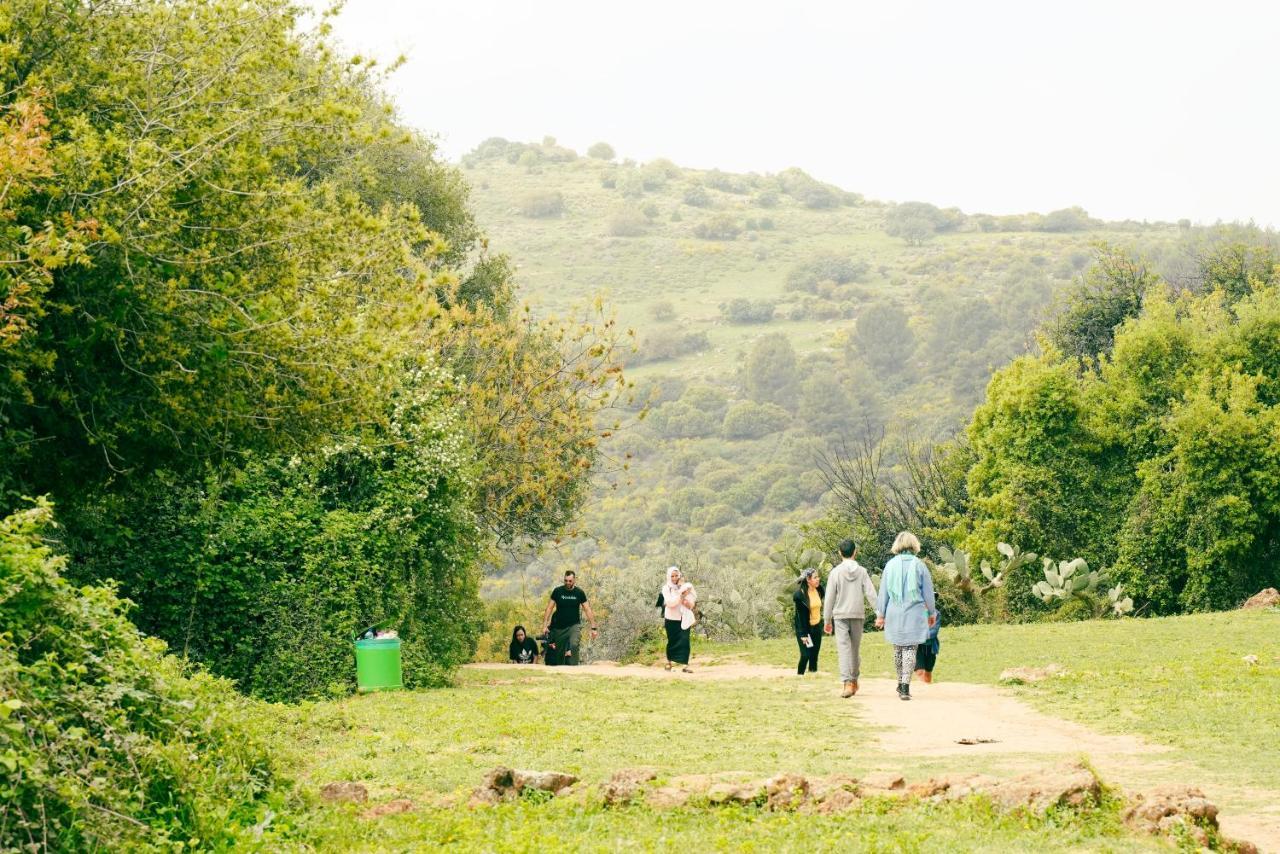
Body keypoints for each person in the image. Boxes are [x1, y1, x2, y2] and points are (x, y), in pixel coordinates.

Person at [874, 531, 937, 701]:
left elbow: (883, 593)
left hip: (894, 612)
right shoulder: (919, 565)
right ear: (914, 545)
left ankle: (900, 682)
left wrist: (881, 614)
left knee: (898, 648)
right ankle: (904, 686)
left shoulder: (890, 565)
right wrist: (931, 612)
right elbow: (928, 593)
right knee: (910, 648)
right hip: (914, 612)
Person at [823, 539, 878, 698]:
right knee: (854, 649)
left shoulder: (835, 572)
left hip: (840, 616)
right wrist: (879, 613)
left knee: (844, 649)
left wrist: (827, 620)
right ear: (855, 552)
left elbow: (829, 598)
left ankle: (848, 682)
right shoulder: (862, 571)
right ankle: (853, 681)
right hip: (857, 614)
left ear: (840, 553)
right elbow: (871, 594)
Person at [541, 570, 598, 667]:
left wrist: (593, 627)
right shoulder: (557, 591)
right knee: (559, 655)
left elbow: (587, 609)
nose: (568, 583)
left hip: (574, 626)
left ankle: (574, 668)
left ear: (574, 580)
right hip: (559, 627)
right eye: (566, 580)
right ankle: (561, 673)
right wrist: (544, 625)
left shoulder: (579, 593)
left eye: (570, 581)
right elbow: (549, 608)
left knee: (574, 645)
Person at [654, 566, 697, 672]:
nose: (674, 578)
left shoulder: (686, 587)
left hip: (683, 619)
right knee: (672, 641)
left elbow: (691, 605)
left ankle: (685, 666)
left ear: (680, 575)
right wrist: (681, 596)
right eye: (672, 576)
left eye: (676, 575)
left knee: (684, 641)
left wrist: (684, 597)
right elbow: (670, 603)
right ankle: (669, 663)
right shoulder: (666, 588)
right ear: (669, 576)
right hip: (671, 619)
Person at [792, 568, 825, 675]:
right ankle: (799, 676)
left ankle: (812, 677)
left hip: (816, 628)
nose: (818, 579)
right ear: (808, 580)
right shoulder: (799, 595)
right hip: (805, 629)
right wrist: (804, 635)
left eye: (818, 577)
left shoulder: (819, 590)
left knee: (814, 655)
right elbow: (801, 618)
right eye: (815, 577)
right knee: (806, 655)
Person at [915, 608, 941, 683]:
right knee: (920, 671)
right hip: (917, 646)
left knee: (928, 672)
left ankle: (928, 691)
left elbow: (934, 631)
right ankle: (921, 691)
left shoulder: (936, 613)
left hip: (931, 646)